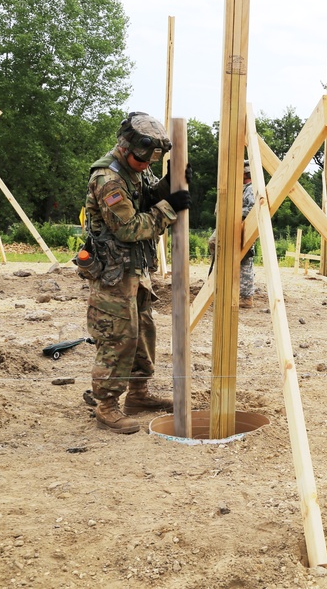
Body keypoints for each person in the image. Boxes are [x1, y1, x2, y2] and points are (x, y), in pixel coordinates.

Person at [80, 112, 191, 434]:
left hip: (136, 271)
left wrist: (170, 185)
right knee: (118, 338)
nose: (146, 166)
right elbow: (129, 227)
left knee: (143, 333)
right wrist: (170, 207)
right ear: (126, 147)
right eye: (143, 159)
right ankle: (106, 405)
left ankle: (138, 395)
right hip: (114, 275)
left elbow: (147, 196)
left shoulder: (134, 169)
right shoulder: (108, 179)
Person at [208, 160, 257, 308]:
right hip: (232, 227)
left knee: (244, 260)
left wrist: (232, 212)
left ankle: (245, 297)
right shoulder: (238, 187)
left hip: (242, 228)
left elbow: (253, 209)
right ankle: (221, 289)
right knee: (217, 247)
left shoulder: (251, 188)